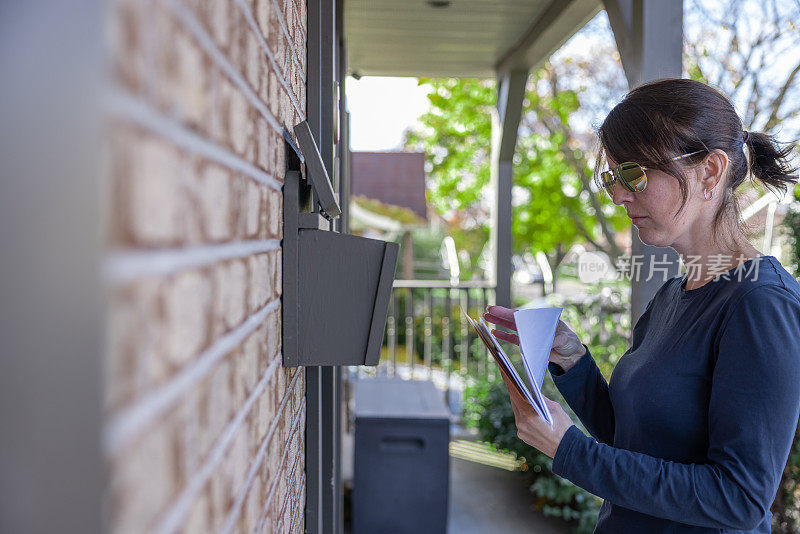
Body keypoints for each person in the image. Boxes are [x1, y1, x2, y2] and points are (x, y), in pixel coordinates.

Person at [483, 77, 800, 533]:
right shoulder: (672, 294)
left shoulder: (761, 304)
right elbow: (633, 441)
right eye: (612, 177)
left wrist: (568, 449)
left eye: (633, 174)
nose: (617, 194)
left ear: (710, 171)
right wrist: (572, 359)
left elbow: (739, 499)